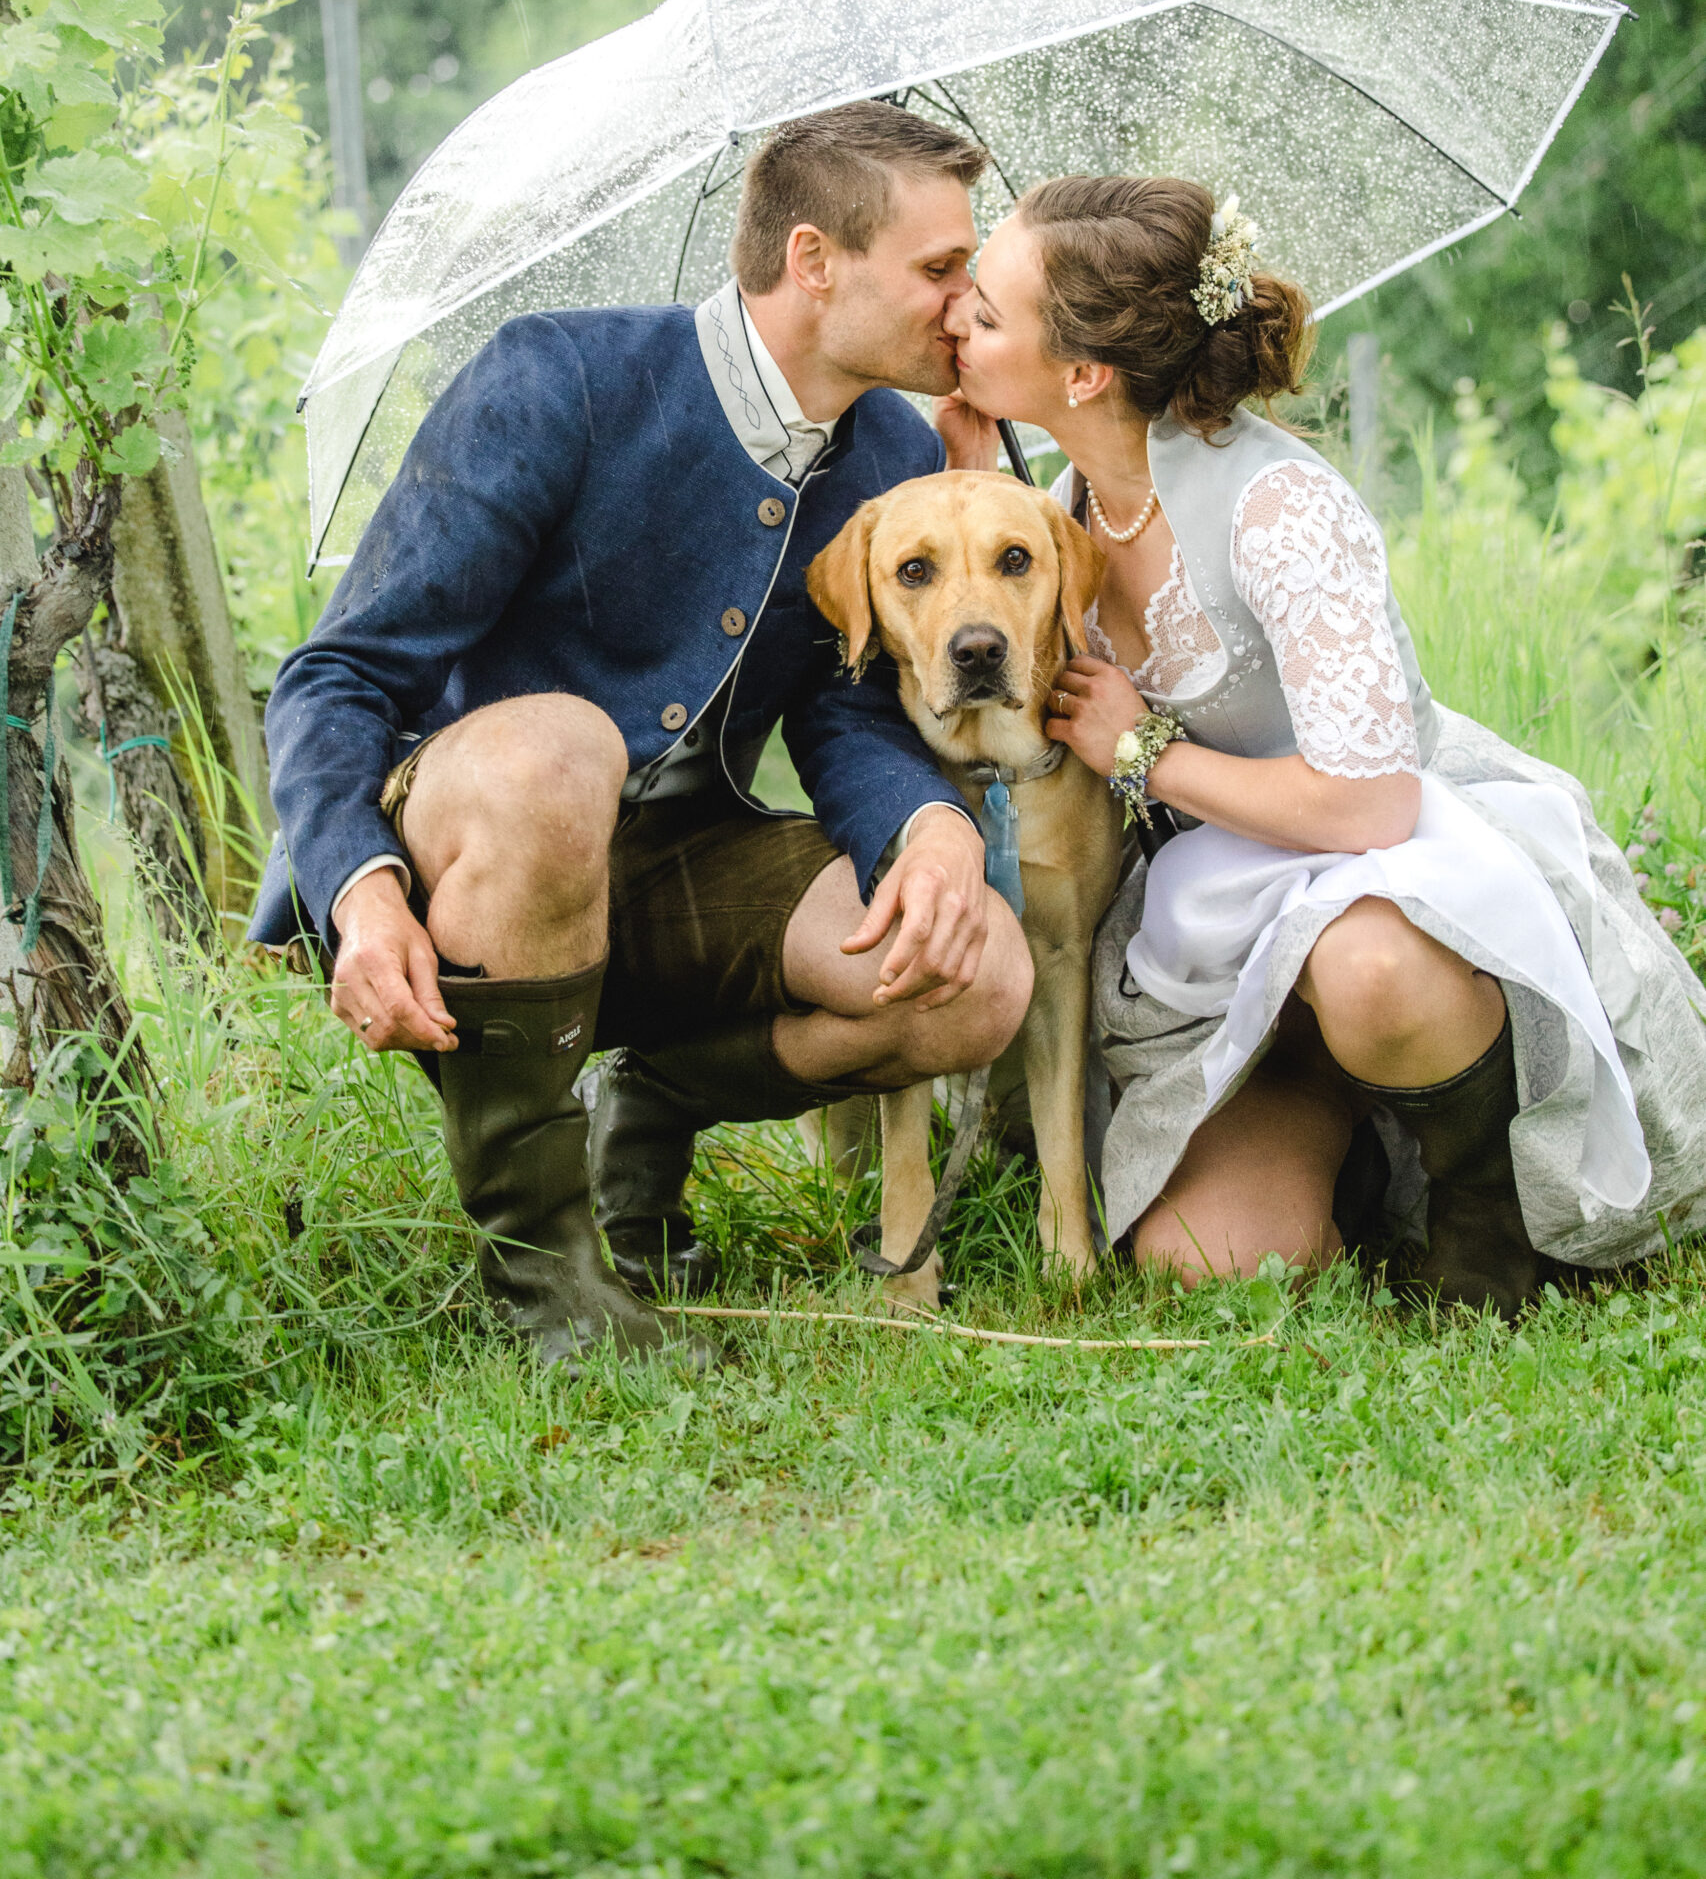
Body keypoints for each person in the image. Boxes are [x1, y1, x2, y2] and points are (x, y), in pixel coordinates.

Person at [250, 101, 1031, 1367]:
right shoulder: (558, 376)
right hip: (468, 863)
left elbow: (842, 708)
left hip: (677, 867)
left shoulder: (890, 449)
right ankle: (547, 1280)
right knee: (560, 749)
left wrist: (931, 827)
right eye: (940, 268)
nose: (965, 302)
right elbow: (335, 673)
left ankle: (650, 1107)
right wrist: (361, 889)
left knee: (976, 972)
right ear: (813, 260)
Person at [938, 173, 1706, 1317]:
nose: (954, 317)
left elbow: (1368, 807)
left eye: (986, 310)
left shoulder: (1277, 508)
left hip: (1395, 875)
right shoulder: (1066, 506)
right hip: (1228, 910)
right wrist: (971, 482)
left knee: (1367, 963)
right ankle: (1354, 1154)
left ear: (1084, 372)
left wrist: (1140, 751)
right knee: (1209, 1259)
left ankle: (1482, 1214)